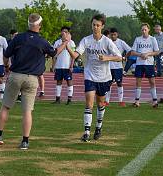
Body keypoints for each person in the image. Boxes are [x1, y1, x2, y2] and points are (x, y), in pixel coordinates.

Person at [0, 13, 68, 150]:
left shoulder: (18, 38)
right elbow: (54, 53)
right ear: (40, 26)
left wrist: (7, 67)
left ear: (28, 24)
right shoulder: (42, 41)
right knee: (27, 111)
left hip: (16, 75)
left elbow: (6, 55)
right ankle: (25, 141)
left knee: (6, 106)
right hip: (32, 78)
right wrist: (65, 42)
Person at [66, 14, 122, 142]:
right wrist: (67, 44)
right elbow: (75, 54)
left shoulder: (107, 42)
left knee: (100, 104)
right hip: (90, 76)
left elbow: (119, 57)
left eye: (98, 25)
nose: (95, 27)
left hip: (104, 78)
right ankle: (86, 132)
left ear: (102, 26)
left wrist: (107, 58)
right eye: (93, 25)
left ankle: (98, 127)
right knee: (89, 103)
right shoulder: (86, 40)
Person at [130, 23, 159, 108]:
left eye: (145, 29)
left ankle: (155, 101)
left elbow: (157, 51)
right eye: (142, 30)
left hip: (149, 64)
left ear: (148, 30)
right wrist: (140, 55)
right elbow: (132, 52)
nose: (144, 31)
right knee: (138, 82)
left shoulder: (153, 39)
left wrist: (148, 54)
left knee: (152, 82)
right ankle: (137, 101)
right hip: (139, 63)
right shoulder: (138, 39)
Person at [105, 27, 131, 107]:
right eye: (111, 35)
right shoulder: (107, 42)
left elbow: (129, 50)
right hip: (108, 66)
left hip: (118, 67)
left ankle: (120, 101)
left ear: (117, 34)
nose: (113, 36)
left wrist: (125, 57)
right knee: (108, 84)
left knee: (119, 83)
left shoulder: (121, 42)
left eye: (114, 35)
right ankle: (106, 101)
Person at [51, 26, 76, 105]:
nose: (64, 33)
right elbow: (54, 55)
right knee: (59, 82)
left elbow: (73, 56)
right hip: (59, 66)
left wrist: (71, 66)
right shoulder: (57, 42)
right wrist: (53, 66)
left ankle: (69, 99)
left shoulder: (71, 42)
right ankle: (57, 99)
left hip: (67, 66)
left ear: (68, 33)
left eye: (66, 32)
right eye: (63, 31)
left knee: (69, 81)